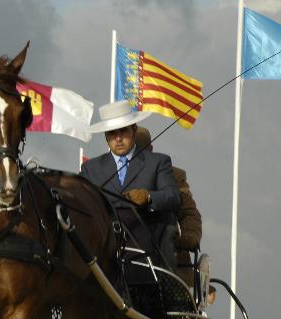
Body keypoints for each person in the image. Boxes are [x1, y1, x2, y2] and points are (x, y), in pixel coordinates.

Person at [80, 100, 180, 268]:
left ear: (134, 129)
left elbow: (173, 197)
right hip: (103, 248)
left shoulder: (158, 162)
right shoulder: (90, 168)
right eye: (112, 133)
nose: (118, 138)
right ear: (105, 136)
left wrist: (148, 196)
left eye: (123, 131)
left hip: (146, 246)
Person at [135, 127, 202, 286]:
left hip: (168, 258)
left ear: (151, 150)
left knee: (178, 303)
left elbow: (189, 213)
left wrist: (189, 237)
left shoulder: (172, 175)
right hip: (125, 255)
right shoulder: (113, 175)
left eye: (141, 152)